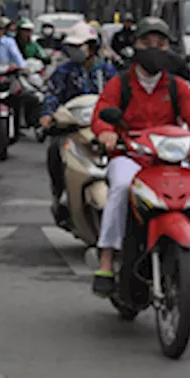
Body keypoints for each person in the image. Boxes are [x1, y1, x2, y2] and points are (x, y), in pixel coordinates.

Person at [90, 18, 190, 297]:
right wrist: (107, 133)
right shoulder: (121, 83)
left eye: (161, 43)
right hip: (129, 155)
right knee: (119, 188)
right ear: (136, 46)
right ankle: (106, 259)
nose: (154, 48)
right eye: (147, 42)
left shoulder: (178, 86)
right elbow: (102, 112)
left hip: (169, 158)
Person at [39, 23, 118, 226]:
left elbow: (120, 96)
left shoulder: (107, 71)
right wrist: (48, 115)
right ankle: (61, 197)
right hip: (72, 126)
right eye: (72, 46)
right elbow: (52, 94)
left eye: (79, 46)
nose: (75, 50)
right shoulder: (64, 71)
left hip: (104, 127)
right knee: (55, 150)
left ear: (91, 47)